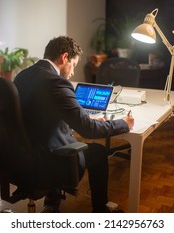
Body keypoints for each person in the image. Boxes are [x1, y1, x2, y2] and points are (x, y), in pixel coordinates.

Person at [14, 36, 134, 213]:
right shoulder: (57, 82)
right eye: (74, 65)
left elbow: (41, 115)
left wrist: (84, 118)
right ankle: (100, 212)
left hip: (23, 157)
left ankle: (52, 201)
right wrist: (124, 123)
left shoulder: (22, 76)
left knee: (60, 138)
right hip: (49, 160)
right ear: (64, 58)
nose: (72, 73)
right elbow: (89, 131)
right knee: (99, 152)